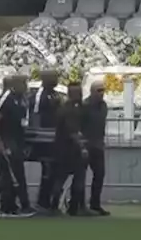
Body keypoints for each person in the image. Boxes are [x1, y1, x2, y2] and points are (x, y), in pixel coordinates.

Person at [0, 74, 35, 217]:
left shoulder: (21, 99)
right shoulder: (5, 98)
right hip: (7, 140)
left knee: (11, 172)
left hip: (17, 140)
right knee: (12, 174)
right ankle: (8, 207)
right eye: (24, 83)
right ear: (16, 84)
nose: (27, 86)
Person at [47, 82, 89, 216]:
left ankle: (67, 206)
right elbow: (73, 131)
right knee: (70, 178)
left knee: (64, 178)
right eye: (78, 92)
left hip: (63, 148)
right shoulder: (70, 110)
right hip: (67, 149)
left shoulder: (69, 108)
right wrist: (82, 147)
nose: (80, 95)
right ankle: (67, 207)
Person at [31, 69, 63, 212]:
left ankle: (50, 201)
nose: (56, 79)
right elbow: (35, 115)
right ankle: (42, 202)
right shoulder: (40, 95)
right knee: (48, 169)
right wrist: (37, 134)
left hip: (54, 138)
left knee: (54, 171)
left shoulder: (55, 94)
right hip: (43, 139)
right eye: (54, 77)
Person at [80, 80, 110, 216]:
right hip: (86, 145)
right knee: (81, 175)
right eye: (99, 90)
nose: (102, 93)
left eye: (103, 90)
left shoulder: (103, 106)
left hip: (98, 145)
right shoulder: (85, 106)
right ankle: (79, 204)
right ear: (92, 91)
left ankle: (95, 203)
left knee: (99, 174)